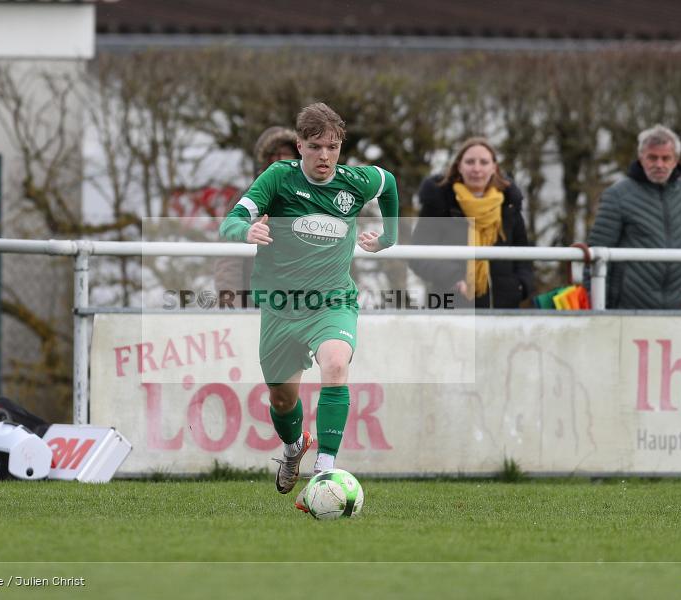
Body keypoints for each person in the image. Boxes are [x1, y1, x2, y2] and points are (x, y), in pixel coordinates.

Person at [219, 102, 399, 510]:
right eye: (316, 147)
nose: (325, 156)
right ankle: (294, 446)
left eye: (333, 147)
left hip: (333, 300)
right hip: (281, 307)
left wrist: (390, 237)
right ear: (299, 146)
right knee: (282, 401)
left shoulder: (355, 182)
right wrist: (244, 230)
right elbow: (231, 219)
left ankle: (325, 469)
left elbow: (388, 182)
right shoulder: (278, 179)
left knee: (336, 363)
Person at [587, 124, 681, 309]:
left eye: (665, 158)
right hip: (626, 311)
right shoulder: (617, 195)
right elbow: (596, 253)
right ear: (641, 158)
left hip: (677, 310)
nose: (659, 164)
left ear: (675, 160)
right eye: (652, 158)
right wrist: (597, 303)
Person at [409, 137, 533, 309]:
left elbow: (524, 255)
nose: (476, 168)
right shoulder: (438, 203)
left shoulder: (509, 205)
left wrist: (520, 287)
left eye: (483, 162)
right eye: (470, 162)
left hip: (503, 310)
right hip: (450, 307)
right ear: (459, 166)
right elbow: (418, 255)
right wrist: (451, 277)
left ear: (494, 168)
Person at [214, 127, 299, 307]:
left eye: (286, 154)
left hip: (306, 307)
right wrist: (232, 307)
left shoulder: (317, 200)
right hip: (255, 305)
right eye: (274, 155)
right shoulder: (245, 200)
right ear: (264, 162)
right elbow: (228, 260)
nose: (280, 160)